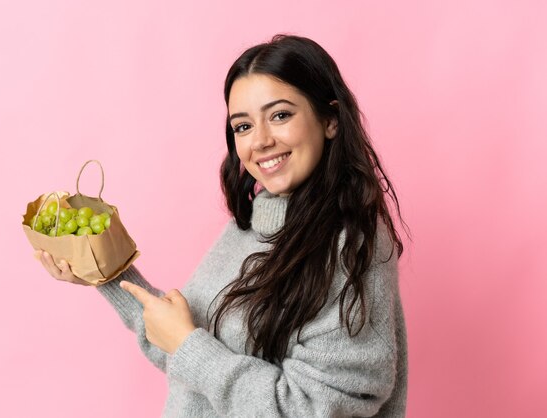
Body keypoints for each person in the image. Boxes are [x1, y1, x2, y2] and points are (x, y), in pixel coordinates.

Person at [35, 33, 410, 417]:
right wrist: (104, 270)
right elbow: (188, 357)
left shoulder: (350, 245)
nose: (260, 141)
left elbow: (314, 408)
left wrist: (187, 345)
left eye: (280, 115)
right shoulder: (249, 226)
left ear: (329, 120)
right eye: (243, 126)